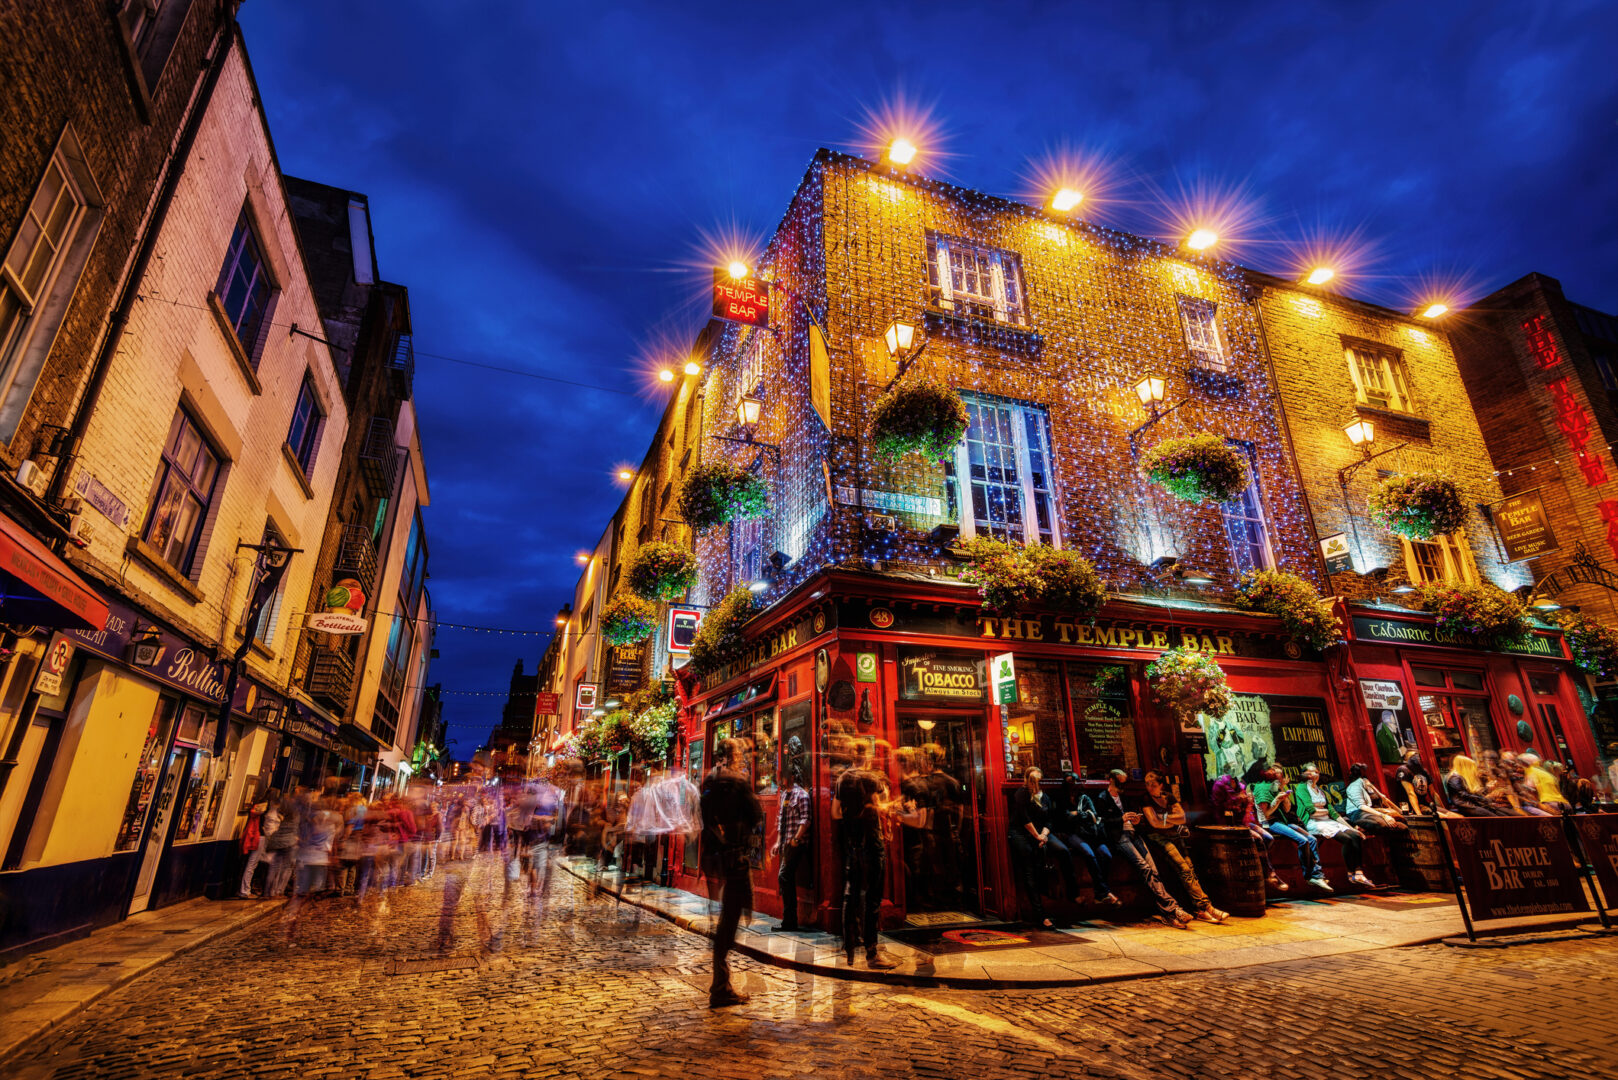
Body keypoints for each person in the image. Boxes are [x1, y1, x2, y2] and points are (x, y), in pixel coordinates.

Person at [700, 737, 764, 1008]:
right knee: (730, 918)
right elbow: (757, 814)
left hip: (712, 857)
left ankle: (720, 982)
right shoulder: (737, 782)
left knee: (723, 918)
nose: (741, 757)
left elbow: (703, 815)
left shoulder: (709, 781)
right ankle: (720, 987)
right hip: (735, 857)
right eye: (739, 753)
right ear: (733, 756)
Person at [1094, 769, 1190, 927]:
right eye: (1119, 782)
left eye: (1124, 782)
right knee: (1144, 868)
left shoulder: (1124, 797)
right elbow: (1101, 822)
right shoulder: (1102, 798)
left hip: (1134, 833)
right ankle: (1173, 909)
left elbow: (1137, 815)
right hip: (1120, 837)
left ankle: (1168, 913)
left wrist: (1137, 820)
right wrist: (1121, 819)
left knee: (1153, 869)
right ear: (1110, 780)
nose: (1123, 785)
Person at [833, 740, 896, 969]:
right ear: (867, 755)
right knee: (872, 899)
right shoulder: (873, 779)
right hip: (872, 843)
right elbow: (882, 808)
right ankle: (872, 954)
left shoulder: (842, 779)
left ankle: (849, 949)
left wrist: (853, 820)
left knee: (850, 896)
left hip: (852, 845)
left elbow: (835, 812)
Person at [1139, 771, 1228, 923]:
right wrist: (1170, 819)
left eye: (1153, 784)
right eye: (1147, 784)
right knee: (1184, 868)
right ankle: (1206, 906)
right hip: (1158, 837)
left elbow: (1182, 818)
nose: (1149, 787)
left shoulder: (1169, 796)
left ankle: (1200, 909)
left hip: (1175, 835)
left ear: (1161, 785)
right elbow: (1154, 823)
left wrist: (1164, 818)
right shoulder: (1145, 799)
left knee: (1190, 867)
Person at [1008, 768, 1082, 927]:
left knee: (1063, 851)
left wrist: (1044, 834)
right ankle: (1041, 916)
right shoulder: (1021, 794)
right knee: (1030, 869)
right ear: (1027, 780)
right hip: (1022, 833)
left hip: (1042, 832)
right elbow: (1024, 819)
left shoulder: (1045, 797)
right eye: (1033, 780)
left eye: (1038, 781)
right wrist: (1038, 837)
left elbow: (1049, 821)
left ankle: (1073, 893)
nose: (1036, 784)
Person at [1251, 766, 1330, 892]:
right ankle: (1311, 876)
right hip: (1270, 823)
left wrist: (1284, 794)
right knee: (1303, 841)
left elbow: (1287, 809)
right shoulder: (1262, 789)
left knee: (1312, 839)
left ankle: (1317, 875)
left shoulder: (1275, 787)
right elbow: (1266, 814)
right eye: (1276, 774)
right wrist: (1277, 800)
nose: (1279, 776)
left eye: (1280, 775)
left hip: (1283, 821)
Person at [1212, 764, 1286, 893]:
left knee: (1268, 838)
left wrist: (1247, 801)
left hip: (1244, 821)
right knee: (1258, 839)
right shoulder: (1220, 784)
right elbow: (1218, 805)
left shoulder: (1240, 783)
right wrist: (1237, 801)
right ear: (1227, 770)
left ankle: (1260, 867)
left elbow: (1247, 805)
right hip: (1229, 822)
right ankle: (1270, 874)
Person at [1294, 765, 1371, 886]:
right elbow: (1311, 811)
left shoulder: (1321, 791)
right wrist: (1324, 811)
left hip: (1328, 821)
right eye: (1310, 772)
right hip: (1314, 822)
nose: (1314, 775)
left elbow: (1333, 813)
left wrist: (1352, 829)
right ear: (1305, 774)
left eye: (1316, 772)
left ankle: (1358, 873)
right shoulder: (1302, 788)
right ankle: (1350, 874)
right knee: (1347, 839)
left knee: (1355, 836)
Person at [1055, 777, 1120, 909]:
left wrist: (1077, 814)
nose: (1074, 786)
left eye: (1075, 782)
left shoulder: (1084, 798)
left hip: (1091, 833)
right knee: (1089, 854)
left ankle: (1099, 892)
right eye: (1070, 783)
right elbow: (1064, 818)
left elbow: (1093, 815)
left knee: (1106, 854)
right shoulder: (1061, 800)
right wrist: (1082, 815)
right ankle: (1103, 892)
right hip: (1073, 834)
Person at [773, 763, 812, 932]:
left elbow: (806, 819)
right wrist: (777, 842)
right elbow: (782, 820)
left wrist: (796, 839)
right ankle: (789, 920)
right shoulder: (784, 795)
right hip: (786, 843)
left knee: (784, 877)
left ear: (791, 777)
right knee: (785, 878)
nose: (779, 779)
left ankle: (790, 921)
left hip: (796, 844)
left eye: (781, 776)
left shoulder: (801, 795)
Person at [1344, 763, 1408, 835]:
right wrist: (1383, 816)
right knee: (1382, 825)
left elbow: (1383, 798)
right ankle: (1357, 824)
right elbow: (1361, 806)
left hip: (1372, 811)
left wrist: (1400, 811)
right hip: (1357, 813)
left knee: (1403, 825)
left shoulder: (1366, 784)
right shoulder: (1354, 786)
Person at [238, 793, 279, 898]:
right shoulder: (265, 810)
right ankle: (245, 891)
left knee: (253, 864)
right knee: (252, 864)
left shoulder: (259, 807)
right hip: (259, 837)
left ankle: (248, 889)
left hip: (257, 837)